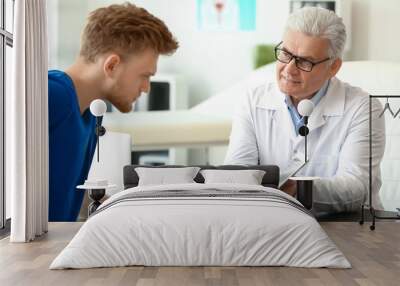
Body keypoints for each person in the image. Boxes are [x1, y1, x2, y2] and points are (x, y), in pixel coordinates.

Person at [224, 7, 385, 216]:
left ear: (333, 67)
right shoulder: (253, 101)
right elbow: (237, 175)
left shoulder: (363, 107)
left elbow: (357, 188)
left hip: (347, 227)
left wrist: (299, 190)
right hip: (273, 221)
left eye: (304, 61)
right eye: (285, 54)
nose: (289, 69)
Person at [48, 3, 178, 221]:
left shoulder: (88, 115)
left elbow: (66, 197)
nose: (146, 88)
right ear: (112, 66)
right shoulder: (53, 95)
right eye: (145, 75)